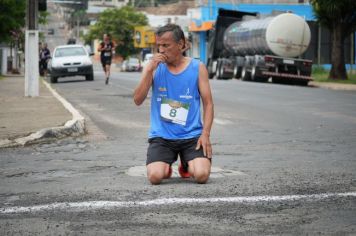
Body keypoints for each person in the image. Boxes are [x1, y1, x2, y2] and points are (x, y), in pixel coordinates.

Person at [133, 24, 214, 185]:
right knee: (155, 177)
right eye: (159, 46)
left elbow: (208, 104)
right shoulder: (154, 68)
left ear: (181, 44)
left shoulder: (197, 67)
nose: (161, 50)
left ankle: (186, 164)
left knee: (201, 175)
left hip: (192, 136)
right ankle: (166, 167)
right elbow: (137, 100)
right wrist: (149, 70)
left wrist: (205, 134)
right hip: (162, 137)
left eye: (166, 45)